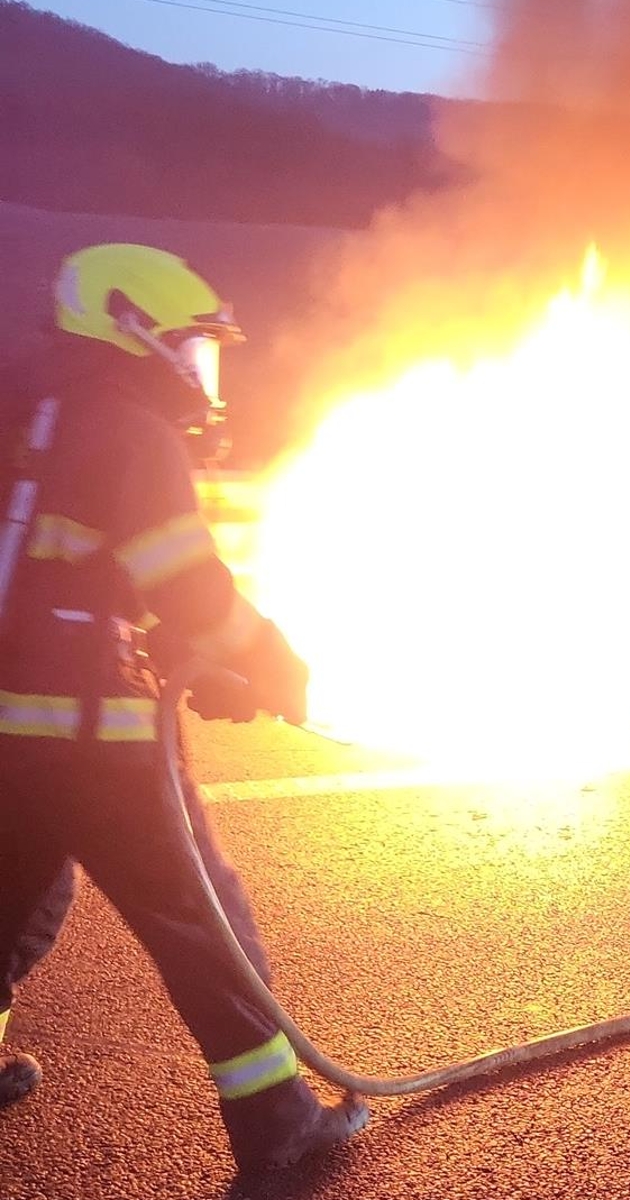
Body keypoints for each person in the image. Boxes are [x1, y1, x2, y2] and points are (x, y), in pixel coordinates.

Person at [0, 244, 368, 1171]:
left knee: (16, 897)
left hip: (7, 731)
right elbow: (189, 585)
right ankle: (277, 1121)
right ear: (133, 332)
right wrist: (271, 663)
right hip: (96, 741)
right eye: (192, 349)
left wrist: (172, 650)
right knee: (203, 923)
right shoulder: (129, 427)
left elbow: (64, 571)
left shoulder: (28, 409)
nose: (201, 375)